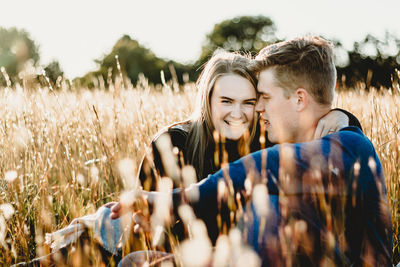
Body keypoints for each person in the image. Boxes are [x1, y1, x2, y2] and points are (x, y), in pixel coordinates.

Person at [112, 36, 392, 266]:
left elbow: (256, 170)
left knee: (267, 210)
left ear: (298, 99)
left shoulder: (346, 144)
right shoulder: (179, 142)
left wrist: (171, 200)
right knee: (136, 261)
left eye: (261, 99)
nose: (256, 109)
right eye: (227, 100)